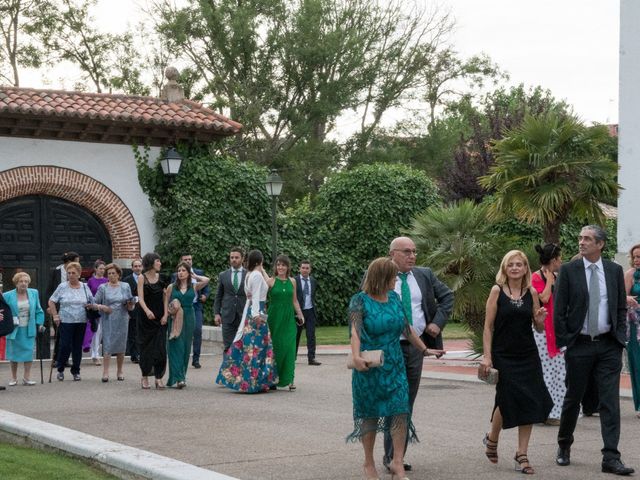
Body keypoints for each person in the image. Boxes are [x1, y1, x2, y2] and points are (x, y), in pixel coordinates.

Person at [348, 257, 444, 480]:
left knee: (401, 411)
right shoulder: (359, 301)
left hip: (395, 364)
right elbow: (355, 332)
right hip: (370, 365)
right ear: (382, 277)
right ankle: (369, 463)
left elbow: (407, 329)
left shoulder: (395, 298)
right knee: (370, 415)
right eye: (392, 276)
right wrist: (355, 356)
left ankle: (397, 462)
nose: (395, 280)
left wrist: (424, 349)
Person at [554, 225, 634, 475]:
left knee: (609, 401)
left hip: (608, 346)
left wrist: (620, 336)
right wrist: (566, 340)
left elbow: (620, 307)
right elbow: (559, 310)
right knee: (573, 398)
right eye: (580, 238)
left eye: (587, 239)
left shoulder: (613, 270)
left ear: (600, 244)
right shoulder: (569, 270)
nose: (581, 242)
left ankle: (611, 457)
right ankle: (564, 444)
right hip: (579, 345)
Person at [382, 237, 454, 474]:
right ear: (392, 254)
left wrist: (437, 323)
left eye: (414, 251)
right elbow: (365, 304)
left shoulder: (424, 275)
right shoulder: (380, 273)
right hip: (389, 346)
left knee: (407, 400)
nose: (412, 256)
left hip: (416, 347)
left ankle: (396, 455)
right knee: (394, 399)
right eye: (406, 252)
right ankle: (391, 456)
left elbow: (447, 297)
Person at [480, 250, 552, 474]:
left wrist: (539, 321)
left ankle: (522, 453)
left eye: (519, 264)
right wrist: (487, 355)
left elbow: (537, 325)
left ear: (525, 268)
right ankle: (493, 438)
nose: (514, 268)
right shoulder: (496, 291)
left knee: (529, 399)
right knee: (507, 397)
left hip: (527, 354)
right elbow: (488, 326)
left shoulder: (531, 291)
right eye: (510, 264)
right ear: (504, 268)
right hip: (503, 354)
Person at [216, 249, 278, 393]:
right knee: (256, 348)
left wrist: (261, 269)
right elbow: (255, 297)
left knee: (252, 347)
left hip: (251, 311)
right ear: (260, 261)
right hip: (257, 313)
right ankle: (252, 382)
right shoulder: (255, 275)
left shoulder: (249, 274)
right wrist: (257, 315)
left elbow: (266, 285)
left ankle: (254, 381)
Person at [531, 243, 566, 426]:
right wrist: (550, 280)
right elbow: (543, 299)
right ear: (553, 260)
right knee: (545, 371)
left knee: (559, 372)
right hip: (542, 331)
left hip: (558, 330)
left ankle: (557, 412)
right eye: (559, 258)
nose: (561, 261)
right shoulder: (536, 277)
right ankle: (543, 411)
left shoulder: (559, 275)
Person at [165, 261, 209, 388]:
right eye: (179, 271)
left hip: (190, 315)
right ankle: (178, 378)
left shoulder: (193, 286)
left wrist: (195, 277)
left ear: (188, 273)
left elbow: (207, 280)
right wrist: (165, 316)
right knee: (175, 346)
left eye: (183, 270)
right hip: (174, 317)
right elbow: (166, 302)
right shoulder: (171, 287)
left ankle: (182, 377)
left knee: (185, 347)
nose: (180, 273)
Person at [48, 261, 94, 382]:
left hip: (81, 321)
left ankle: (76, 371)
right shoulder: (62, 286)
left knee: (77, 347)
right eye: (69, 273)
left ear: (79, 274)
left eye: (73, 273)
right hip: (66, 321)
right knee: (65, 345)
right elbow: (51, 301)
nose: (71, 275)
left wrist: (91, 306)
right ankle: (60, 368)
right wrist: (55, 316)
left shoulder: (85, 286)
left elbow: (91, 301)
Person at [265, 255, 305, 391]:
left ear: (288, 267)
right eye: (278, 265)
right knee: (275, 348)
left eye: (283, 265)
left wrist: (300, 314)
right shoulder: (270, 281)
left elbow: (294, 300)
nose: (280, 267)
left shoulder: (292, 281)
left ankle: (290, 379)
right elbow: (259, 295)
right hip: (274, 318)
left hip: (288, 319)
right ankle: (273, 378)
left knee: (289, 347)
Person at [94, 264, 135, 383]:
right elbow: (93, 302)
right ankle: (105, 372)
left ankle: (120, 370)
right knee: (107, 344)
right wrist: (102, 307)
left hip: (122, 318)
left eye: (113, 273)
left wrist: (130, 304)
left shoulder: (125, 286)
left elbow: (130, 305)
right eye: (109, 273)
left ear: (118, 274)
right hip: (108, 319)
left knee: (121, 345)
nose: (111, 275)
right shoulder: (103, 287)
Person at [4, 272, 45, 386]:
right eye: (21, 281)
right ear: (16, 283)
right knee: (13, 355)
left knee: (28, 353)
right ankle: (13, 378)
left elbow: (38, 310)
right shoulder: (7, 295)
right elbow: (2, 310)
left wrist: (39, 324)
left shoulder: (33, 293)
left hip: (29, 328)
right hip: (13, 328)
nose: (24, 283)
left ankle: (27, 378)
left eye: (26, 281)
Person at [137, 252, 169, 390]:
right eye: (158, 261)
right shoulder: (141, 278)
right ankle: (144, 376)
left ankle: (158, 377)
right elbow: (141, 298)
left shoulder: (162, 278)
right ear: (151, 262)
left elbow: (165, 298)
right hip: (145, 318)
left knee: (161, 349)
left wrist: (166, 315)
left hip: (160, 318)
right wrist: (147, 311)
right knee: (146, 349)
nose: (160, 263)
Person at [46, 251, 80, 362]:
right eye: (76, 262)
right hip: (58, 308)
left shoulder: (77, 273)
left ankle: (64, 359)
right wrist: (50, 306)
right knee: (59, 334)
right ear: (70, 262)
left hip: (73, 309)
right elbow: (49, 290)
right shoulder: (55, 272)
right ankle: (57, 359)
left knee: (70, 335)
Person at [214, 247, 247, 351]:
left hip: (243, 315)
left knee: (243, 346)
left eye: (236, 257)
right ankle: (227, 367)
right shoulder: (223, 275)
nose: (233, 259)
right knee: (228, 347)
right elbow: (218, 296)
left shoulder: (248, 274)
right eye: (231, 257)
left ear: (242, 259)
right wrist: (216, 313)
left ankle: (241, 367)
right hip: (227, 316)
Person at [624, 243, 640, 419]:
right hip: (635, 324)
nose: (636, 260)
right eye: (634, 257)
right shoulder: (629, 275)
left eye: (639, 257)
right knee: (637, 364)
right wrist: (628, 299)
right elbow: (622, 297)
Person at [295, 260, 321, 366]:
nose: (305, 270)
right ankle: (292, 357)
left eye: (307, 268)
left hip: (310, 311)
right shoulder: (294, 281)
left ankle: (312, 358)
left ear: (310, 270)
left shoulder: (313, 281)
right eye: (303, 268)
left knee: (311, 335)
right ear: (299, 269)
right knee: (296, 335)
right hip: (298, 312)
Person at [84, 259, 108, 365]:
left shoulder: (107, 280)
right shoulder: (90, 281)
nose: (102, 270)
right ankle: (95, 355)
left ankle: (98, 352)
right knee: (96, 331)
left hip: (104, 308)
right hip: (94, 309)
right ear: (96, 269)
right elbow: (88, 295)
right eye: (100, 268)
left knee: (102, 332)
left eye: (104, 269)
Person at [123, 258, 143, 363]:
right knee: (133, 333)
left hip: (144, 310)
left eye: (139, 266)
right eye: (135, 266)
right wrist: (127, 310)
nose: (137, 268)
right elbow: (124, 297)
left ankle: (142, 353)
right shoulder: (127, 280)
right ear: (132, 268)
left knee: (142, 333)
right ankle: (134, 355)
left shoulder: (146, 278)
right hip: (132, 310)